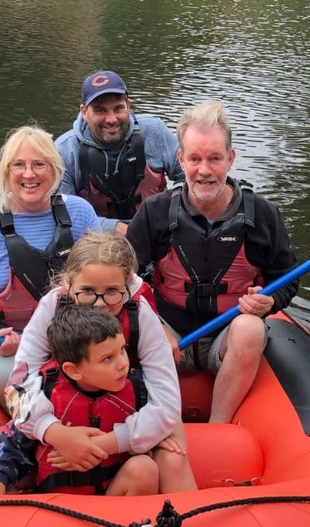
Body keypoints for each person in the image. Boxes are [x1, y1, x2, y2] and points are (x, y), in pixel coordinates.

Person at [124, 100, 300, 424]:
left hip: (227, 338)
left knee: (250, 328)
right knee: (126, 325)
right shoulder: (155, 212)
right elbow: (120, 278)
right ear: (181, 159)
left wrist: (271, 301)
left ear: (230, 159)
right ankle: (146, 424)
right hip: (169, 335)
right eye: (195, 159)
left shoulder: (263, 215)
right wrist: (151, 324)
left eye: (215, 158)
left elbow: (288, 279)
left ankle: (219, 426)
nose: (204, 171)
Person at [10, 231, 197, 493]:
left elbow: (167, 402)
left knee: (173, 456)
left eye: (111, 291)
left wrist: (106, 444)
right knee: (1, 465)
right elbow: (18, 385)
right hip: (65, 411)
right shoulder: (51, 307)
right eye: (88, 291)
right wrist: (54, 432)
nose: (99, 304)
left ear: (128, 286)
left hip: (131, 408)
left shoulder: (140, 314)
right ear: (68, 284)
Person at [0, 124, 100, 404]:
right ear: (6, 172)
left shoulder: (80, 213)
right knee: (6, 379)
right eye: (19, 165)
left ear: (54, 169)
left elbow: (102, 279)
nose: (29, 174)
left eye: (39, 164)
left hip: (66, 333)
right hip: (1, 335)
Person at [0, 304, 159, 497]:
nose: (123, 363)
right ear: (73, 370)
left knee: (144, 468)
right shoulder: (45, 395)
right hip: (53, 496)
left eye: (122, 350)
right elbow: (15, 444)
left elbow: (157, 422)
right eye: (108, 358)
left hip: (111, 494)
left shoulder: (139, 389)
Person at [55, 70, 185, 237]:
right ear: (84, 112)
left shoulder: (155, 131)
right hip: (97, 240)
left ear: (128, 106)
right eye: (100, 110)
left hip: (158, 230)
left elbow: (190, 177)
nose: (111, 119)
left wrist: (169, 213)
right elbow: (64, 213)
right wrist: (115, 229)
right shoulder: (64, 151)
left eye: (118, 108)